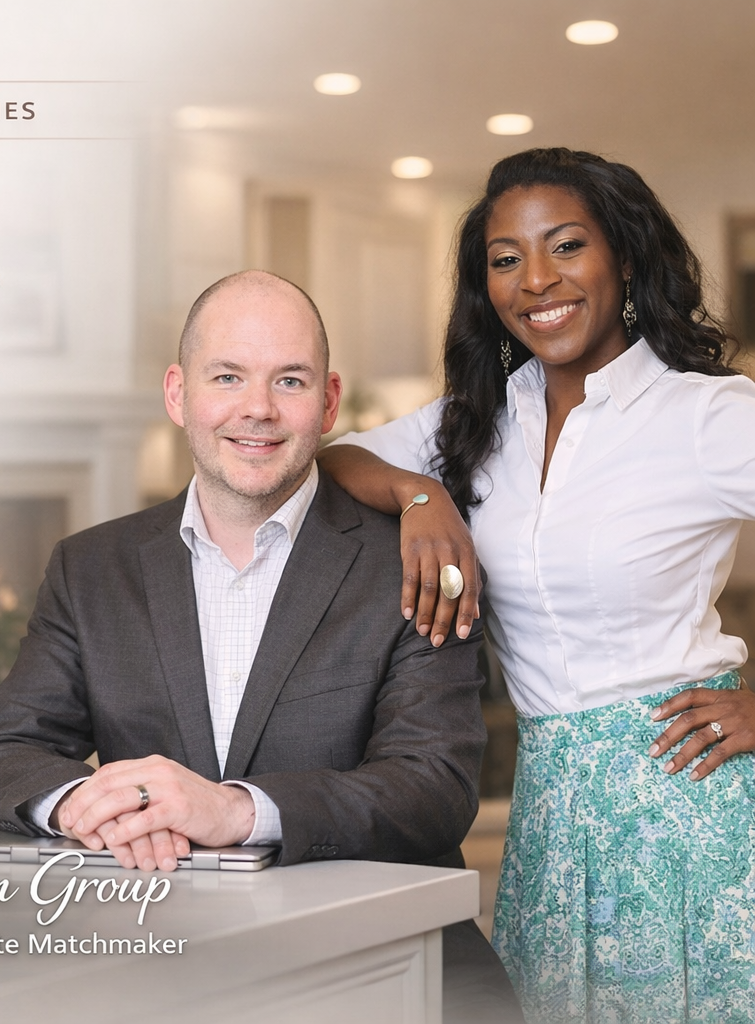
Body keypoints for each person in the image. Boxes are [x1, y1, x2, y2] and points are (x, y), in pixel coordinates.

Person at [0, 269, 521, 1022]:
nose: (258, 408)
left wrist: (236, 812)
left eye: (289, 380)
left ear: (328, 402)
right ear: (177, 393)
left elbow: (433, 791)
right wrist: (88, 803)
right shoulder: (90, 568)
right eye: (227, 376)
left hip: (383, 973)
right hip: (167, 967)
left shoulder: (413, 563)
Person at [320, 147, 755, 1024]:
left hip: (692, 808)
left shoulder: (706, 415)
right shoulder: (477, 422)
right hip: (550, 816)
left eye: (566, 246)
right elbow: (330, 461)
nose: (536, 281)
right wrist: (420, 494)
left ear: (624, 257)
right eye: (506, 259)